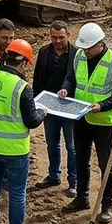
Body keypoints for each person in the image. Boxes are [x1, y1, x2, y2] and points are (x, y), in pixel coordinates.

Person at [0, 39, 47, 224]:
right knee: (17, 195)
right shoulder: (22, 88)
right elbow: (31, 121)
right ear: (24, 63)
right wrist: (43, 113)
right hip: (15, 151)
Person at [58, 22, 112, 224]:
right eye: (83, 47)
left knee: (106, 165)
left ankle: (107, 205)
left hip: (103, 122)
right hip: (81, 118)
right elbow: (71, 78)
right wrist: (65, 88)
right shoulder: (79, 56)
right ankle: (82, 198)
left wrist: (102, 105)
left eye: (88, 48)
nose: (85, 51)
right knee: (81, 160)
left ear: (100, 44)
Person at [33, 21, 78, 197]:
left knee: (72, 147)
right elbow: (38, 77)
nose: (57, 41)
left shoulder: (76, 55)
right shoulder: (44, 52)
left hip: (68, 107)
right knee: (52, 143)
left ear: (68, 35)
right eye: (54, 37)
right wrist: (35, 101)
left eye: (61, 37)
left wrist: (67, 90)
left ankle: (73, 182)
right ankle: (54, 175)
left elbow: (73, 77)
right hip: (48, 106)